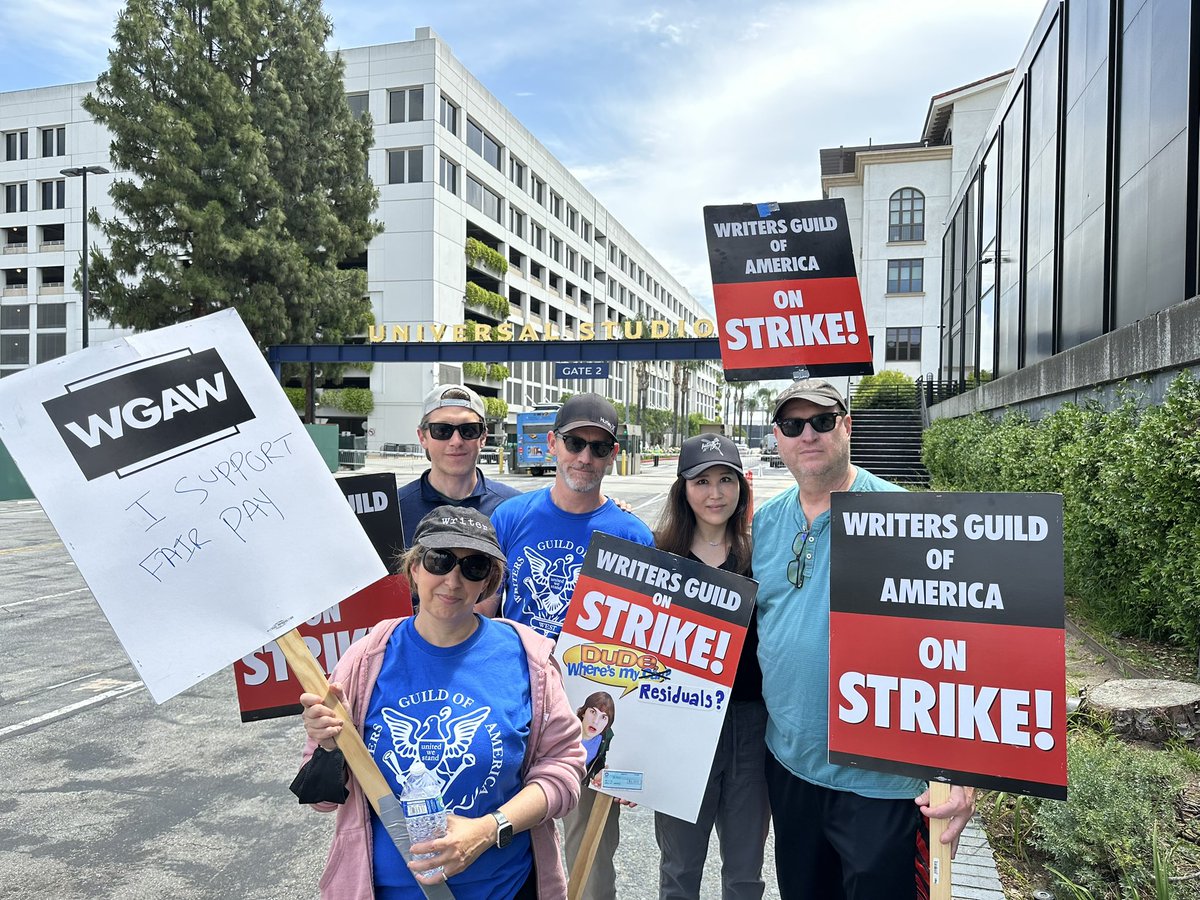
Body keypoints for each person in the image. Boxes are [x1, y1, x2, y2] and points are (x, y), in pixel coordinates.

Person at [751, 379, 976, 900]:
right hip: (791, 768)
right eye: (792, 425)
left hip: (883, 785)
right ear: (778, 439)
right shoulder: (765, 522)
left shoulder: (905, 518)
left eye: (822, 422)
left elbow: (959, 648)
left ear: (846, 427)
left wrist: (963, 776)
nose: (807, 435)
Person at [296, 505, 585, 900]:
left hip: (503, 889)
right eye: (439, 560)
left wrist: (488, 830)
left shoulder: (527, 659)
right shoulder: (366, 660)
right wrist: (330, 748)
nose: (453, 579)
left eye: (474, 567)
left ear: (489, 583)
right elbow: (323, 800)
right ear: (414, 568)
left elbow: (563, 772)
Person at [486, 392, 654, 900]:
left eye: (599, 448)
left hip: (591, 715)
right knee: (503, 837)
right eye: (576, 443)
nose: (586, 456)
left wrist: (636, 751)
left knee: (590, 854)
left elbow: (646, 646)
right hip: (520, 706)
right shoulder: (511, 517)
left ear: (613, 453)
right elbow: (485, 617)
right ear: (554, 444)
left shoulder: (633, 535)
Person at [652, 433, 769, 900]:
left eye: (726, 480)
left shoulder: (763, 554)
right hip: (681, 722)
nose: (715, 493)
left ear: (742, 487)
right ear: (683, 489)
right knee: (679, 868)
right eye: (701, 481)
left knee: (745, 871)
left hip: (750, 723)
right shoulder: (658, 557)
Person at [396, 384, 519, 546]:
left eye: (468, 430)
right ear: (422, 437)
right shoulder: (394, 512)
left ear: (483, 437)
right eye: (442, 430)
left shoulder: (515, 508)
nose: (456, 441)